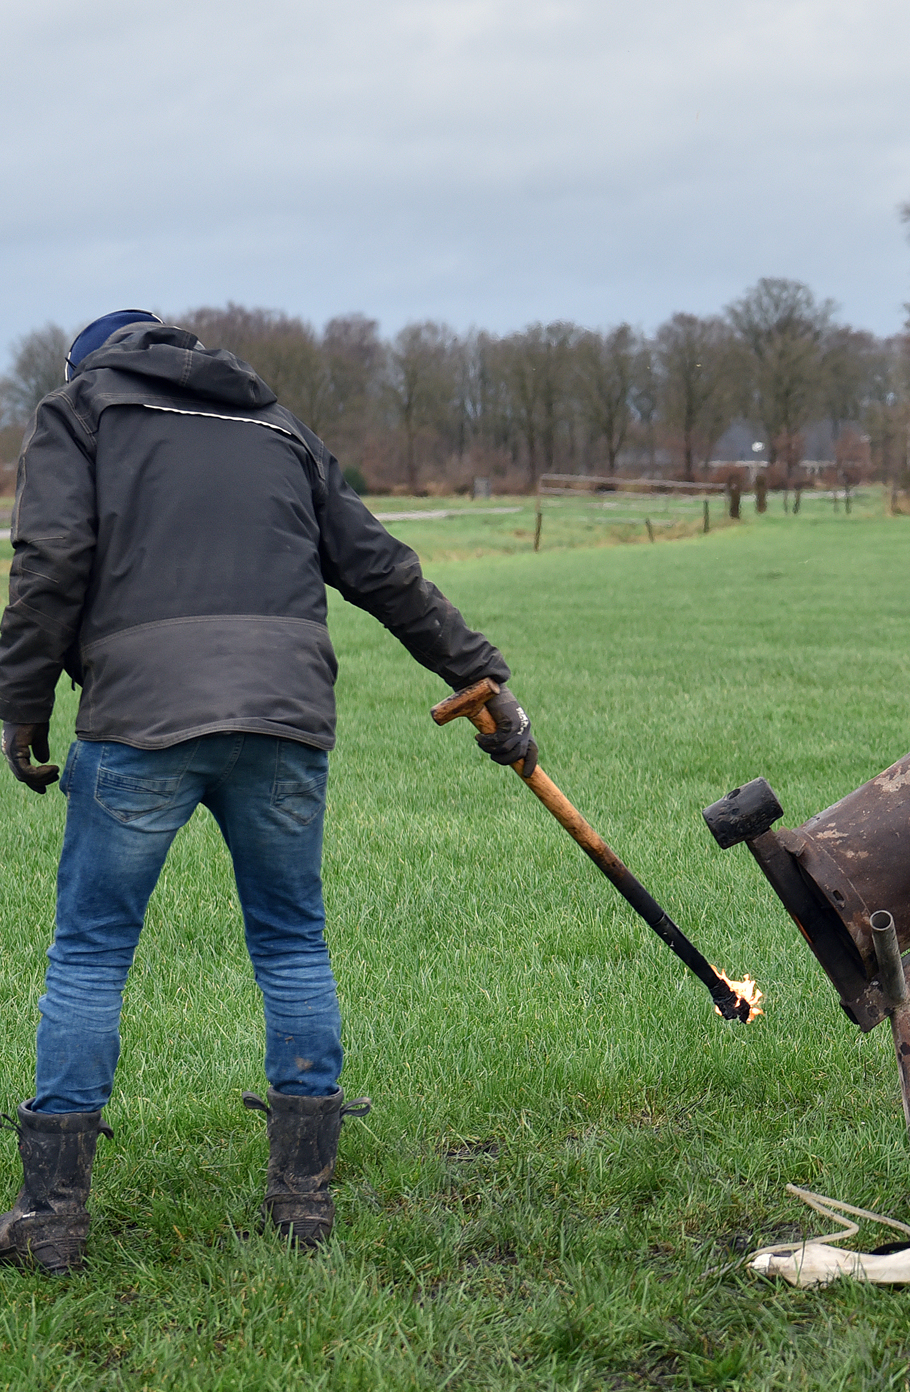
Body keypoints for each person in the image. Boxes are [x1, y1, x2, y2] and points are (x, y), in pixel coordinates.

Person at [0, 311, 535, 1275]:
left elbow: (49, 565)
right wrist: (481, 673)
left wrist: (22, 705)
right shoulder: (277, 424)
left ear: (90, 363)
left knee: (89, 953)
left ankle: (51, 1220)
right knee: (291, 940)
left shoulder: (78, 411)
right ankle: (301, 1203)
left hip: (140, 717)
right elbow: (380, 568)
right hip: (286, 715)